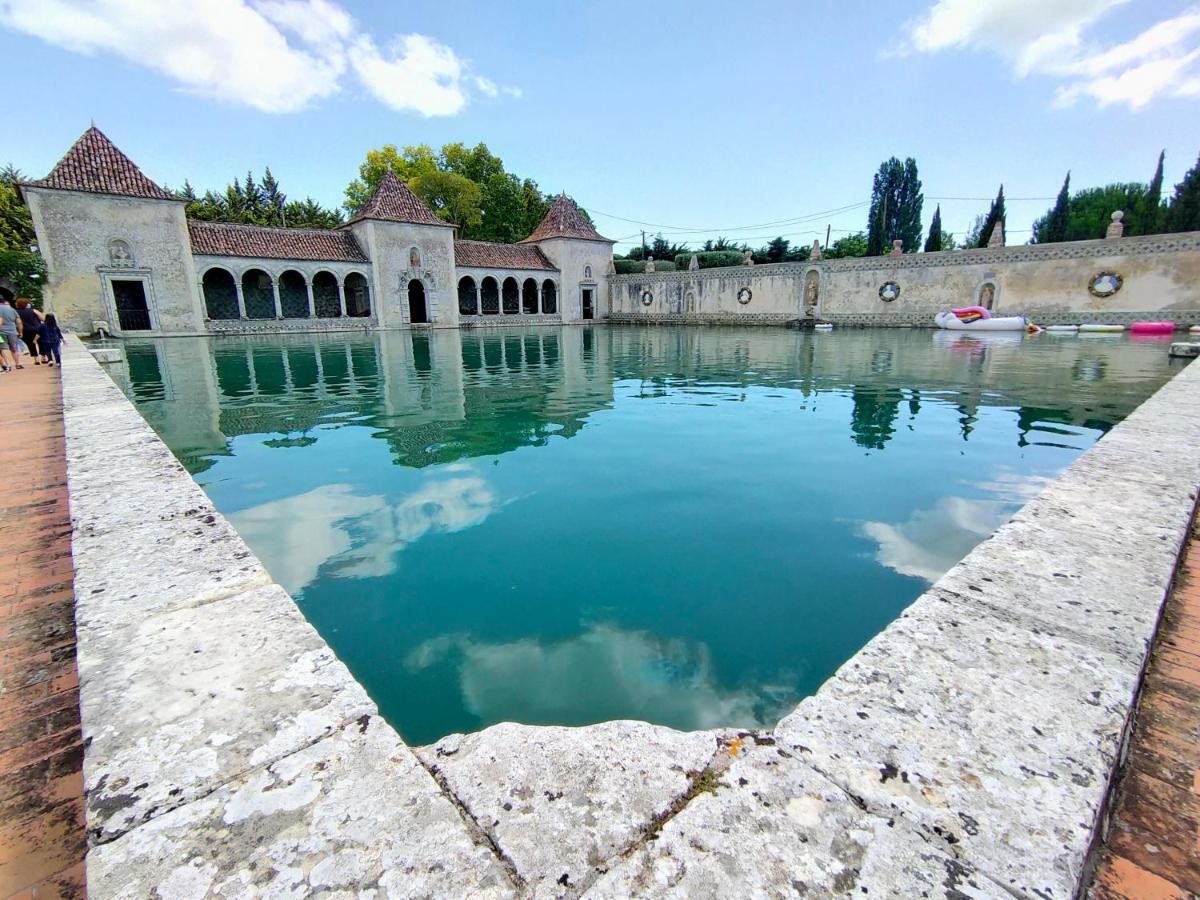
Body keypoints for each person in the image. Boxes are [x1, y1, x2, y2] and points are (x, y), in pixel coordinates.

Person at [15, 300, 42, 364]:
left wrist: (20, 332)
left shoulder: (16, 312)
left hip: (25, 330)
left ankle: (36, 359)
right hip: (37, 329)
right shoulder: (33, 310)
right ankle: (44, 357)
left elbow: (18, 322)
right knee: (40, 342)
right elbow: (42, 318)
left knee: (30, 344)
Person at [0, 297, 22, 370]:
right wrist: (20, 332)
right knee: (14, 348)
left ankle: (7, 365)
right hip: (12, 331)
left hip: (1, 332)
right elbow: (19, 322)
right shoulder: (12, 309)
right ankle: (18, 363)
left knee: (3, 348)